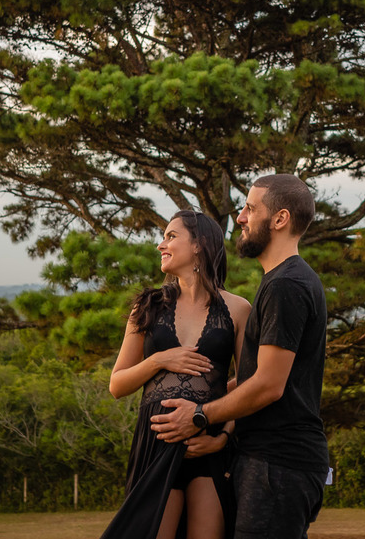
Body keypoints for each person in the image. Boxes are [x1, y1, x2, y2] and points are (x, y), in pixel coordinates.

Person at [151, 175, 329, 539]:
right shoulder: (281, 280)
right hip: (270, 463)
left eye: (250, 209)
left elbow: (268, 385)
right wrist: (208, 395)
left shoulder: (285, 285)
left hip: (277, 464)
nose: (241, 218)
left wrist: (199, 416)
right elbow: (256, 377)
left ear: (279, 220)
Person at [100, 209, 251, 539]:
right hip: (157, 442)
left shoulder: (238, 309)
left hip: (205, 444)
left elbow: (250, 385)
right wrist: (159, 360)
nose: (160, 245)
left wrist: (222, 438)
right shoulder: (148, 306)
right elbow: (117, 384)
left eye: (171, 236)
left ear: (199, 245)